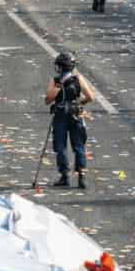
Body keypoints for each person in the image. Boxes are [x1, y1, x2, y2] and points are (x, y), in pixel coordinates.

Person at [45, 52, 91, 189]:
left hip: (60, 116)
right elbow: (90, 97)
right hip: (76, 114)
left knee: (61, 146)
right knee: (79, 146)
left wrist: (58, 87)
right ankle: (81, 175)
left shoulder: (56, 81)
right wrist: (78, 103)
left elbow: (48, 99)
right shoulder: (79, 79)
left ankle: (64, 175)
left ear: (59, 67)